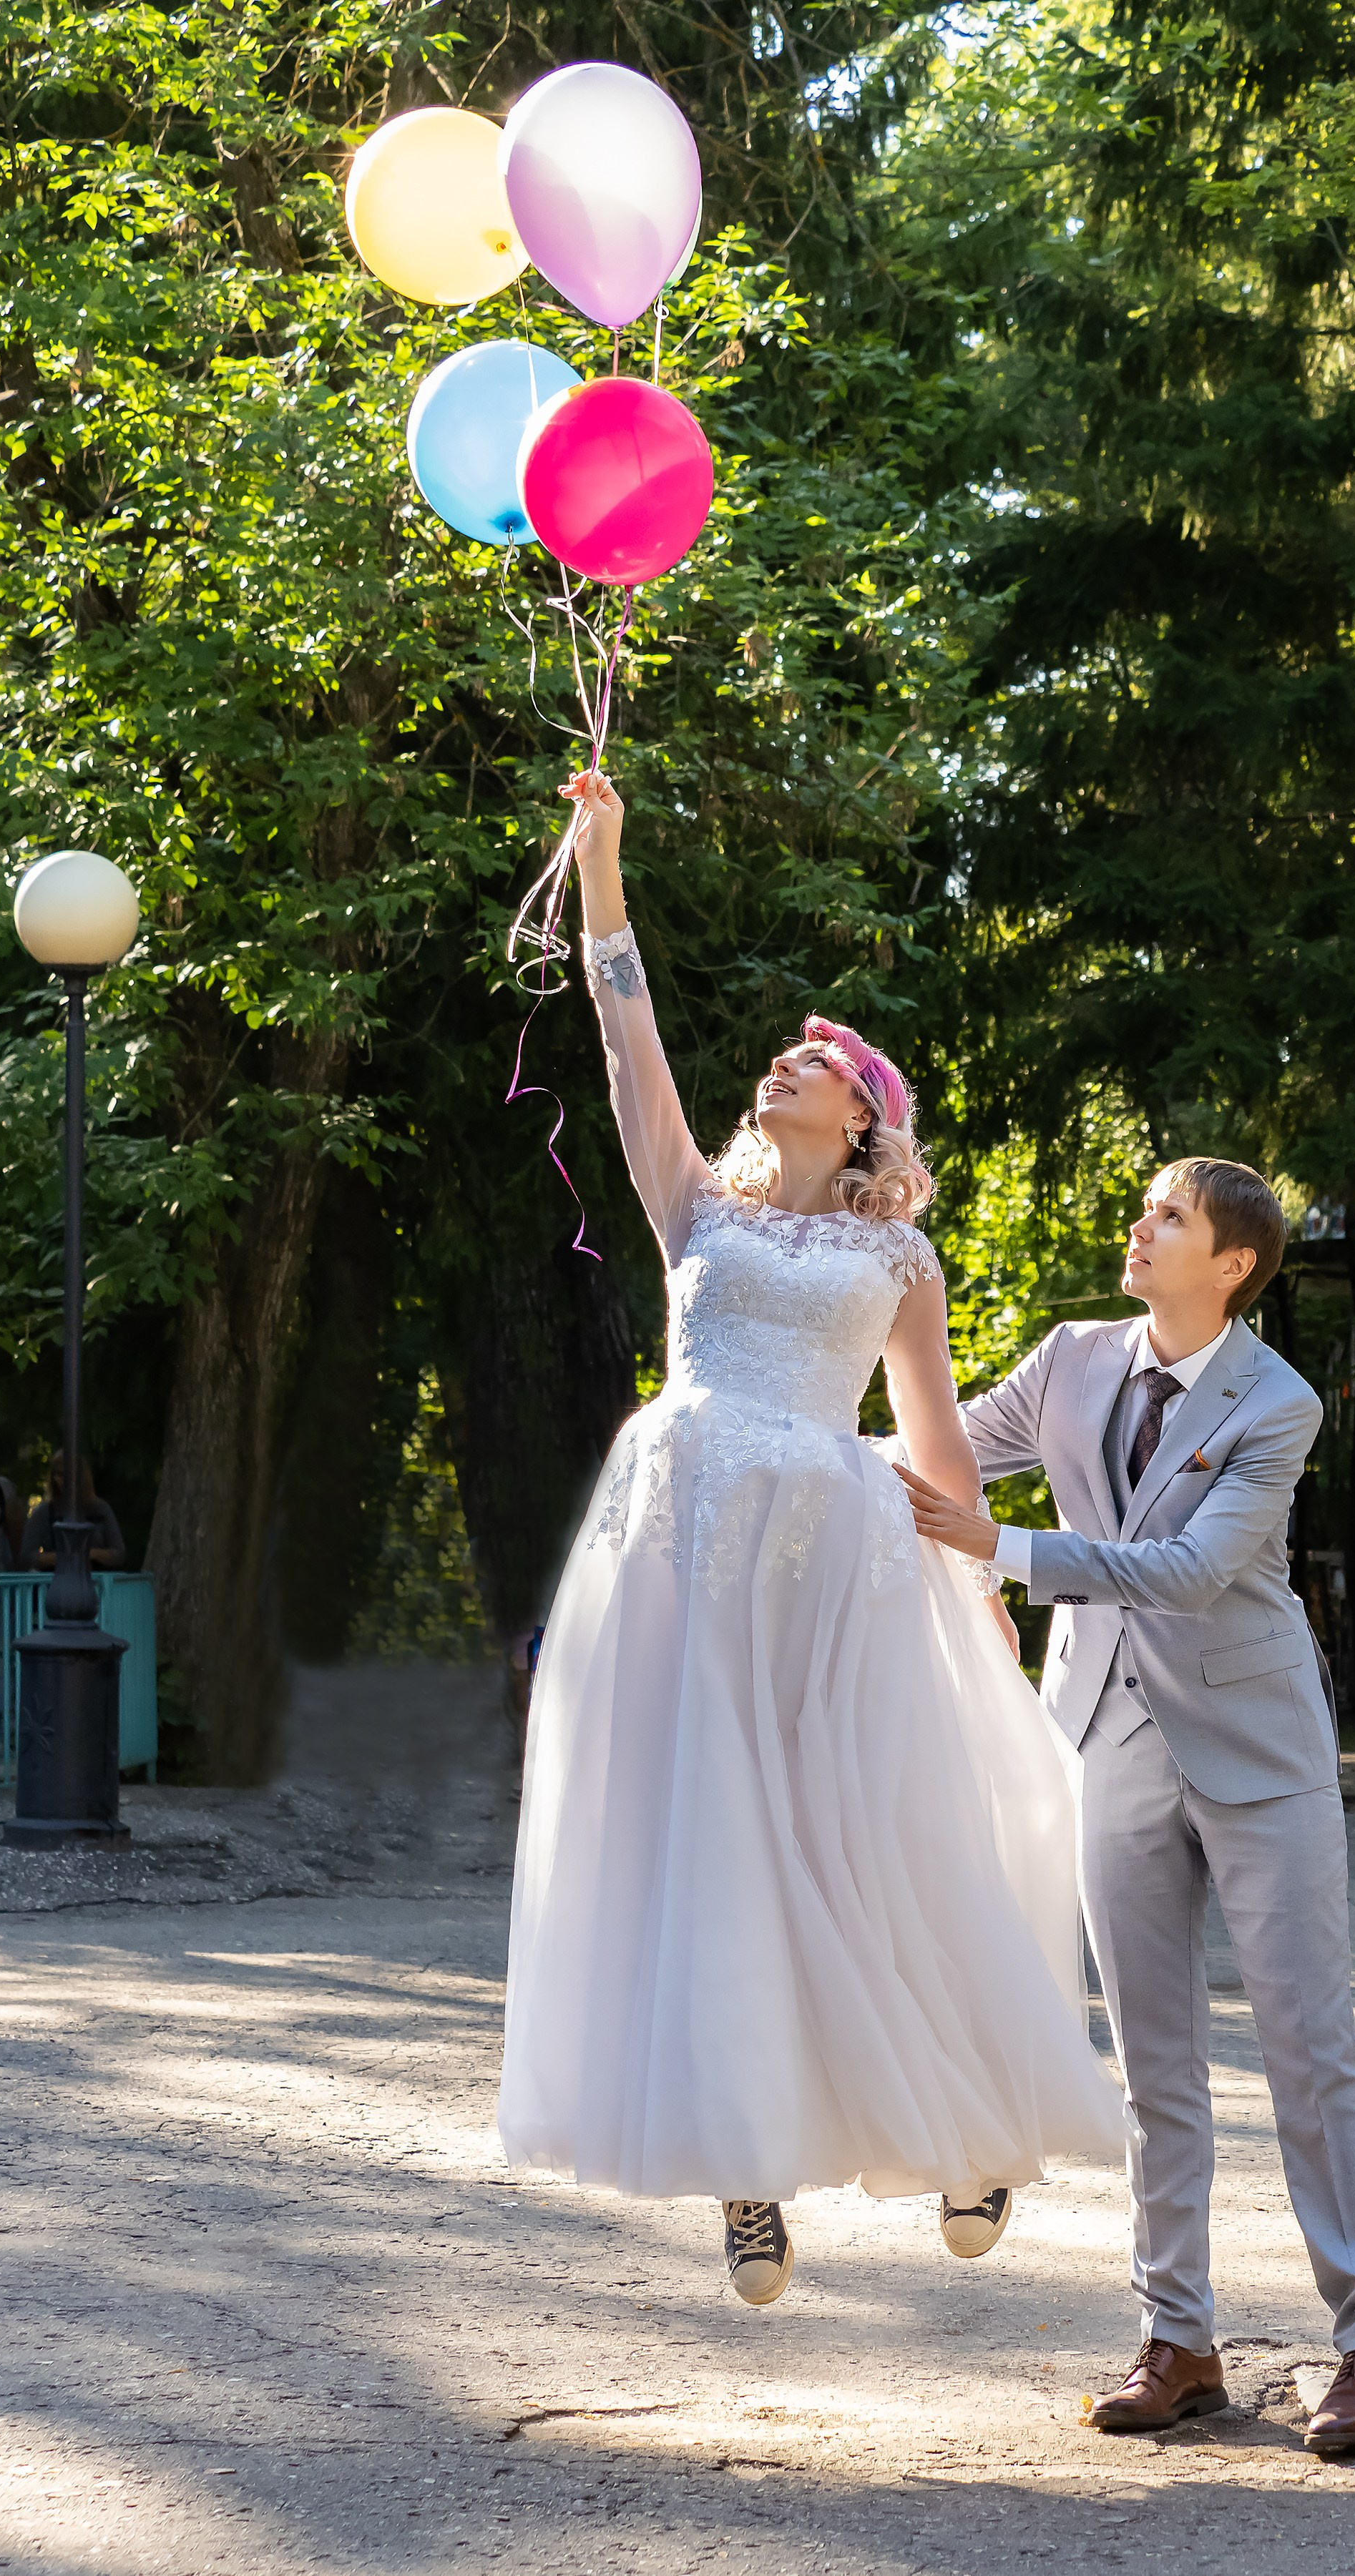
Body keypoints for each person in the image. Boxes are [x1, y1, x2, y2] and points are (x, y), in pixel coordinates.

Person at [497, 771, 1121, 2306]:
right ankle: (745, 2178)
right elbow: (619, 1028)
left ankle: (969, 2130)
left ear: (862, 1113)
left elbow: (930, 1432)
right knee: (705, 1845)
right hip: (682, 1539)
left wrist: (974, 1591)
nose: (780, 1067)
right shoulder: (693, 1206)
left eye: (813, 1064)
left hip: (832, 1554)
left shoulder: (896, 1252)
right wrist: (606, 861)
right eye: (780, 1059)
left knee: (864, 1848)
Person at [898, 1159, 1355, 2453]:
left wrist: (996, 1549)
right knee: (1151, 2062)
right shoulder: (1071, 1356)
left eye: (1168, 1215)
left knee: (1307, 2048)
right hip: (1105, 1735)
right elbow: (939, 1445)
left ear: (1229, 1263)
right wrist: (776, 1451)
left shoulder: (1274, 1400)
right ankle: (1176, 2338)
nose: (1139, 1224)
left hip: (1257, 1743)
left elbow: (1185, 1571)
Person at [21, 1454, 127, 1570]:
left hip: (95, 1580)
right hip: (55, 1581)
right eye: (59, 1475)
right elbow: (27, 1556)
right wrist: (62, 1557)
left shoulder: (101, 1509)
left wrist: (90, 1553)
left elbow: (119, 1554)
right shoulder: (45, 1512)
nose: (64, 1481)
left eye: (70, 1474)